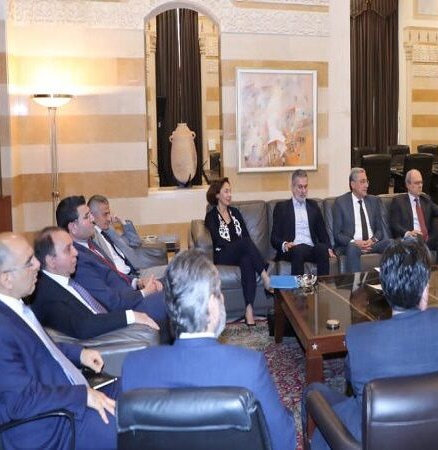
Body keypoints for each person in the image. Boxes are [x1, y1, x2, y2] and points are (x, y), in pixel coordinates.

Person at [307, 238, 438, 450]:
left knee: (313, 391)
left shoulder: (359, 339)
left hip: (376, 439)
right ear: (425, 289)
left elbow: (352, 380)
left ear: (384, 289)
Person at [120, 250, 295, 450]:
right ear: (212, 303)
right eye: (219, 292)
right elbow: (283, 442)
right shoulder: (249, 367)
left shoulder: (134, 366)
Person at [0, 233, 117, 449]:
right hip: (54, 429)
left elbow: (38, 347)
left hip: (66, 398)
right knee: (135, 425)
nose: (38, 264)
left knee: (135, 385)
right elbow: (21, 400)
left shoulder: (9, 307)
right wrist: (82, 395)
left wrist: (79, 353)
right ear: (6, 279)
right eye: (29, 262)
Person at [30, 226, 160, 340]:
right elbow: (83, 326)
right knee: (163, 302)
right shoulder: (47, 294)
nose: (76, 253)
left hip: (112, 319)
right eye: (68, 249)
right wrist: (131, 316)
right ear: (51, 261)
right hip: (106, 338)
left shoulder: (64, 279)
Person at [57, 196, 168, 325]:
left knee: (177, 280)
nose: (93, 219)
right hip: (130, 308)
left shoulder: (89, 244)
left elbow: (114, 275)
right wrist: (144, 292)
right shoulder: (77, 260)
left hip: (132, 294)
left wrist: (139, 282)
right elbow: (110, 302)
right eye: (87, 217)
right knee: (177, 296)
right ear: (73, 227)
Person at [204, 177, 271, 326]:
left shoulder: (235, 212)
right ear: (217, 194)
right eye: (226, 191)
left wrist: (240, 247)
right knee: (245, 243)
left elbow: (245, 235)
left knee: (247, 260)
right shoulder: (211, 216)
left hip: (239, 253)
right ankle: (265, 275)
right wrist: (238, 246)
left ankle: (249, 310)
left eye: (230, 191)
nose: (229, 195)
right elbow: (217, 240)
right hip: (223, 254)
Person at [271, 169, 335, 275]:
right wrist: (285, 244)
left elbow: (323, 233)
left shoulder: (313, 206)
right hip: (293, 249)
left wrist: (328, 248)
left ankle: (323, 284)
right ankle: (298, 286)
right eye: (300, 187)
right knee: (299, 249)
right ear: (292, 187)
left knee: (322, 249)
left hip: (310, 248)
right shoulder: (282, 208)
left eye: (305, 187)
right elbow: (274, 238)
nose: (303, 191)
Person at [87, 194, 167, 278]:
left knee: (173, 269)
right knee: (172, 272)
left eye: (109, 213)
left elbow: (135, 242)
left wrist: (123, 222)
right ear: (92, 216)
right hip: (125, 279)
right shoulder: (93, 235)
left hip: (137, 272)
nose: (109, 218)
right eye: (105, 214)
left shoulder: (109, 230)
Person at [331, 168, 392, 273]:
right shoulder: (340, 202)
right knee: (352, 248)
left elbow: (379, 230)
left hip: (372, 244)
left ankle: (393, 281)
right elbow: (337, 234)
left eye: (367, 181)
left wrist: (372, 240)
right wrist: (355, 242)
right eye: (362, 182)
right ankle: (356, 283)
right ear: (353, 184)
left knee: (392, 243)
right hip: (352, 245)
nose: (366, 185)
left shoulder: (374, 201)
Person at [389, 169, 438, 264]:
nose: (420, 185)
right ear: (408, 185)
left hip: (427, 239)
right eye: (417, 183)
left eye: (421, 182)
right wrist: (408, 233)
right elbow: (394, 224)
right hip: (412, 239)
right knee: (415, 240)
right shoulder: (398, 201)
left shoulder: (425, 200)